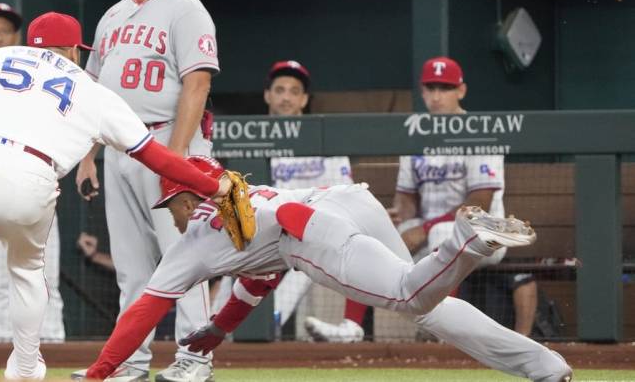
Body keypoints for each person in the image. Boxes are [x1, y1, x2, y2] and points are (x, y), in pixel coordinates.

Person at [0, 12, 230, 380]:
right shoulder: (91, 91)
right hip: (32, 172)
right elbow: (156, 156)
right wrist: (213, 186)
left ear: (31, 42)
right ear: (76, 52)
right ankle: (27, 365)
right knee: (27, 271)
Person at [76, 156, 572, 382]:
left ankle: (464, 242)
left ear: (185, 197)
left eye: (173, 206)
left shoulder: (191, 246)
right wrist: (222, 327)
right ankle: (544, 366)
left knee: (409, 295)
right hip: (348, 201)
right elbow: (259, 274)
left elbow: (141, 311)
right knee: (433, 306)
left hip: (308, 228)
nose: (175, 217)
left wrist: (100, 373)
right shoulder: (238, 192)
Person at [303, 56, 539, 341]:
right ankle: (351, 327)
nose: (437, 96)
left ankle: (437, 333)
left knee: (442, 233)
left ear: (461, 91)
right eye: (432, 88)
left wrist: (423, 229)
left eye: (445, 88)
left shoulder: (479, 130)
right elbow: (407, 198)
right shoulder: (415, 134)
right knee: (371, 240)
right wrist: (397, 215)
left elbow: (480, 204)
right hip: (429, 235)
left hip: (483, 234)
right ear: (423, 91)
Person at [75, 0, 219, 380]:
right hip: (120, 148)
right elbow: (94, 92)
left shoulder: (185, 8)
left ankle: (196, 360)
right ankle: (130, 362)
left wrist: (173, 161)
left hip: (165, 143)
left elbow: (197, 85)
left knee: (186, 260)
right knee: (132, 266)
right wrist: (87, 157)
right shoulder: (112, 16)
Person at [0, 2, 66, 344]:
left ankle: (54, 351)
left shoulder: (41, 77)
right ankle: (2, 352)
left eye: (3, 30)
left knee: (42, 278)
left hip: (34, 186)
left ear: (17, 36)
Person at [260, 60, 357, 339]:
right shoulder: (252, 138)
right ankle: (220, 332)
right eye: (279, 90)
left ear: (304, 99)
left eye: (293, 91)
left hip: (310, 233)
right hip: (265, 232)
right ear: (268, 95)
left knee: (305, 261)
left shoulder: (323, 139)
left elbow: (343, 198)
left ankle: (271, 324)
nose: (286, 97)